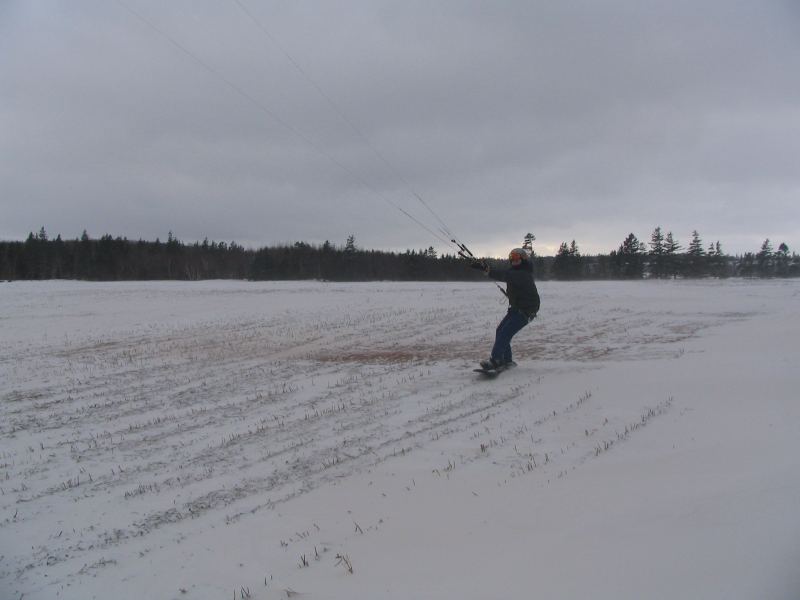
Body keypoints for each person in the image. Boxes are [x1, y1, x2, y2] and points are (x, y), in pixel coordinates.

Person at [471, 248, 540, 370]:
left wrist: (487, 269)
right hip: (516, 309)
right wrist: (486, 268)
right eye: (511, 257)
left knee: (504, 333)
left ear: (523, 259)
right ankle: (507, 360)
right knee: (500, 331)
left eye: (517, 257)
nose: (514, 260)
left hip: (525, 311)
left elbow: (505, 275)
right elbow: (507, 274)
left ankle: (496, 360)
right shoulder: (515, 272)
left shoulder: (523, 273)